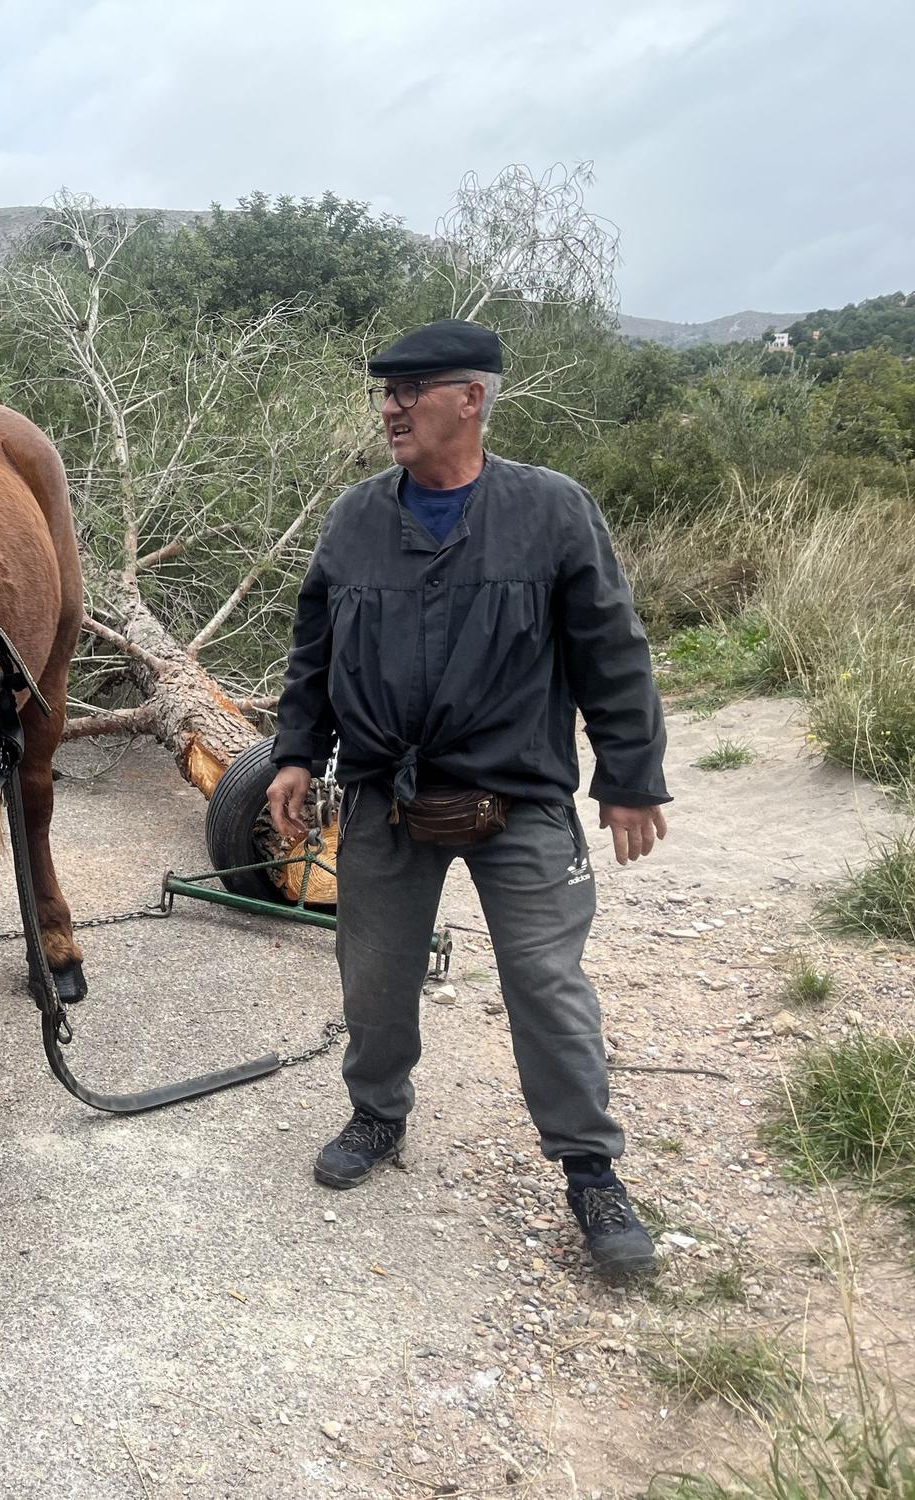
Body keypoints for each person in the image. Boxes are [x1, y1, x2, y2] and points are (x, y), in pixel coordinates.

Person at [268, 318, 669, 1283]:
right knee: (373, 973)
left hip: (519, 797)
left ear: (472, 399)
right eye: (386, 394)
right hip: (384, 795)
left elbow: (611, 651)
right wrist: (293, 755)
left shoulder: (553, 511)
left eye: (413, 392)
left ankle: (591, 1170)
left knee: (546, 983)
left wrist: (628, 777)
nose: (392, 408)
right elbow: (314, 649)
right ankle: (378, 1116)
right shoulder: (355, 517)